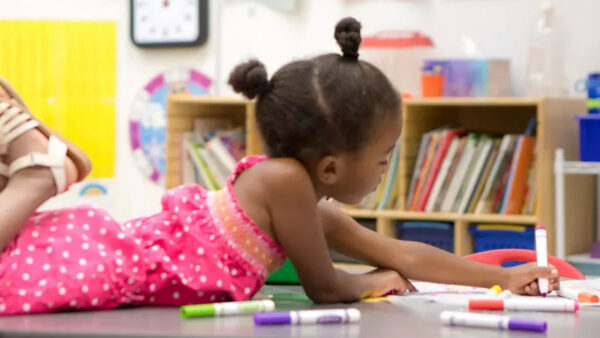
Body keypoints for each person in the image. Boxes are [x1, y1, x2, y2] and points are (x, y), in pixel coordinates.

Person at [0, 17, 558, 315]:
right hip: (103, 265)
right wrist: (372, 282)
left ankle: (29, 173)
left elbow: (402, 251)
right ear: (333, 167)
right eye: (384, 159)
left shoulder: (308, 204)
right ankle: (37, 173)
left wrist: (504, 278)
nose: (388, 170)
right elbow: (326, 286)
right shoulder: (286, 183)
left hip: (109, 258)